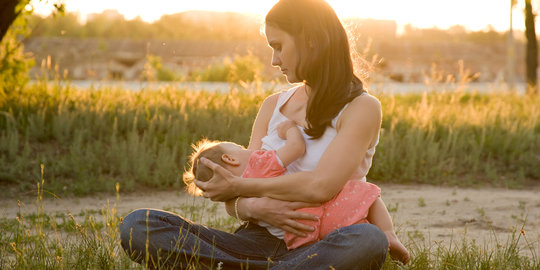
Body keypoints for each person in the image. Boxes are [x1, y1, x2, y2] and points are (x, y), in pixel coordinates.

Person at [120, 0, 404, 269]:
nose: (273, 60)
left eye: (278, 46)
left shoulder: (362, 108)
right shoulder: (273, 106)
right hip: (253, 242)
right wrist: (254, 209)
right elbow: (236, 199)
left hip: (319, 243)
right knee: (139, 225)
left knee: (368, 241)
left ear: (311, 39)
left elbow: (320, 187)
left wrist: (240, 190)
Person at [186, 122, 408, 262]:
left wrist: (240, 197)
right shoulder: (258, 163)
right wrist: (290, 129)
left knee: (367, 238)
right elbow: (296, 148)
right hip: (322, 215)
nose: (249, 150)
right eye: (241, 149)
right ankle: (389, 234)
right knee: (367, 198)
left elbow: (232, 202)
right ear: (230, 158)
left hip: (301, 238)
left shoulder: (234, 189)